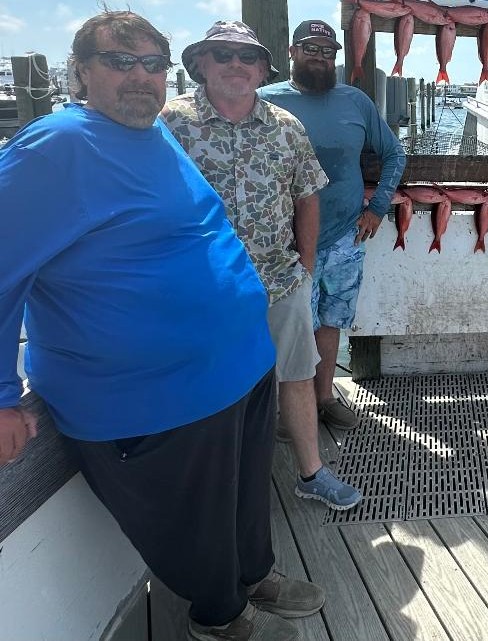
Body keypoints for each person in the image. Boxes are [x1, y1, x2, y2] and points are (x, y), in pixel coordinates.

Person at [0, 11, 324, 641]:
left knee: (244, 498)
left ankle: (254, 574)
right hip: (155, 395)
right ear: (81, 71)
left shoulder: (155, 132)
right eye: (119, 61)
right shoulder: (57, 146)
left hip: (240, 367)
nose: (140, 77)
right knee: (195, 523)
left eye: (152, 63)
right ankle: (220, 618)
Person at [161, 21, 361, 512]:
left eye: (247, 57)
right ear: (201, 64)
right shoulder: (169, 123)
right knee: (211, 383)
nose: (236, 64)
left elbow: (307, 196)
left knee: (297, 375)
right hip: (202, 288)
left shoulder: (286, 127)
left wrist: (306, 265)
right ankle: (216, 485)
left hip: (280, 278)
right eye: (223, 54)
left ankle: (312, 473)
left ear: (263, 69)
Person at [258, 20, 406, 428]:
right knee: (290, 331)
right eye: (311, 48)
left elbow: (394, 154)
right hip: (284, 244)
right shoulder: (263, 102)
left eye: (329, 51)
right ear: (292, 51)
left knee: (331, 321)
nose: (321, 58)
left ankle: (324, 398)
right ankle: (292, 410)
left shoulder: (356, 101)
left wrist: (377, 207)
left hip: (346, 235)